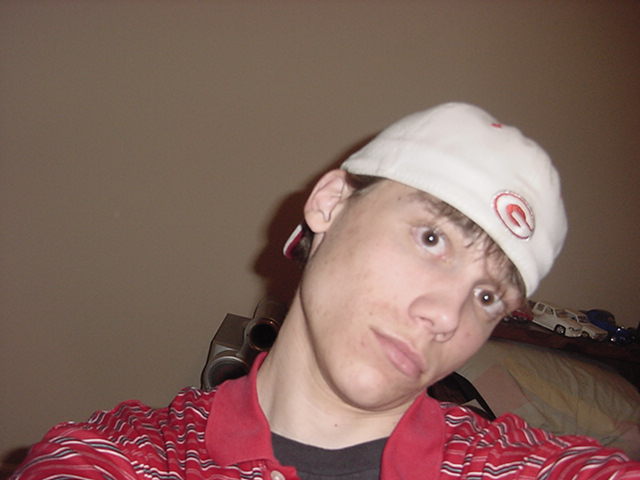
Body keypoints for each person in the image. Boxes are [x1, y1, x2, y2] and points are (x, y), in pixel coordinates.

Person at [11, 103, 640, 479]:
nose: (446, 316)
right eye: (431, 239)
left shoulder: (516, 465)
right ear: (331, 203)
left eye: (486, 297)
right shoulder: (126, 457)